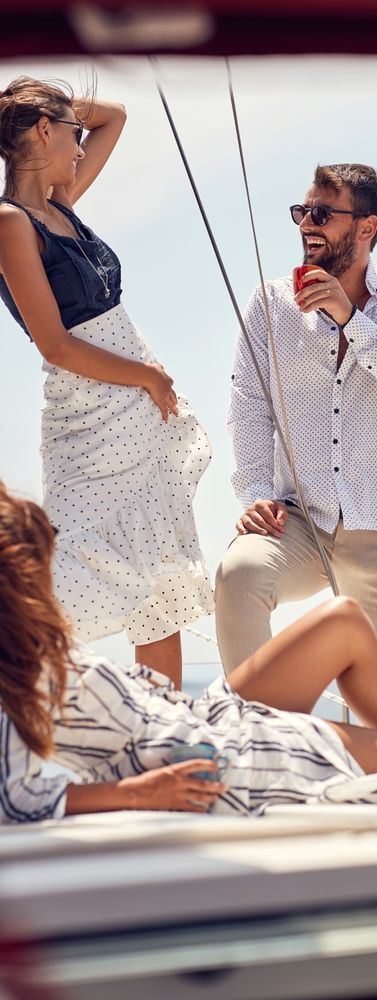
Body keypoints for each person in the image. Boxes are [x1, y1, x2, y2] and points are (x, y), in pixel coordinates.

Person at [0, 482, 377, 824]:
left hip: (201, 716)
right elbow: (13, 798)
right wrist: (143, 793)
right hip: (209, 751)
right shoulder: (15, 668)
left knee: (343, 621)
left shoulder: (26, 645)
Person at [0, 77, 213, 688]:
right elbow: (55, 344)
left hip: (136, 413)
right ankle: (23, 714)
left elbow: (114, 117)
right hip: (89, 415)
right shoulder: (12, 222)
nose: (79, 146)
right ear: (43, 132)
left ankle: (165, 729)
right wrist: (146, 375)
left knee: (159, 577)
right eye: (69, 134)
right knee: (69, 573)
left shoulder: (60, 203)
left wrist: (45, 108)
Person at [216, 163, 377, 697]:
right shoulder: (271, 304)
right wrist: (255, 493)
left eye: (322, 213)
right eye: (302, 212)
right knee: (240, 575)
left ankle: (375, 772)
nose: (306, 225)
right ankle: (268, 736)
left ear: (366, 227)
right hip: (299, 517)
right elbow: (250, 402)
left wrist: (351, 319)